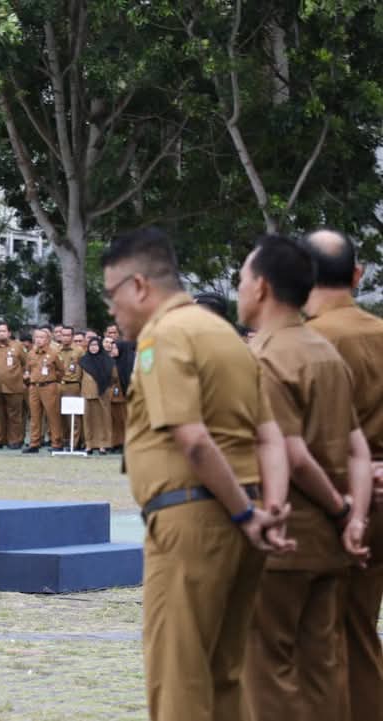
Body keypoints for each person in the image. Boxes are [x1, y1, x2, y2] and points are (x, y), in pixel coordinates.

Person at [101, 226, 293, 721]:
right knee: (223, 676)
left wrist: (246, 512)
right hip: (241, 520)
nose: (111, 310)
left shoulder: (164, 336)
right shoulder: (228, 338)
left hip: (192, 519)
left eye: (111, 295)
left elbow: (193, 439)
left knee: (178, 681)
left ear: (139, 286)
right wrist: (269, 508)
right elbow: (270, 436)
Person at [236, 234, 372, 721]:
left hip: (285, 537)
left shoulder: (264, 357)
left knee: (266, 670)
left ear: (262, 288)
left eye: (243, 278)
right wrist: (355, 517)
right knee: (324, 669)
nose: (239, 288)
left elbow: (291, 453)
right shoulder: (323, 351)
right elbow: (357, 448)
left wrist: (339, 509)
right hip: (330, 544)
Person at [302, 228, 383, 717]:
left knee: (315, 640)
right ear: (358, 275)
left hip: (326, 504)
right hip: (378, 502)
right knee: (359, 630)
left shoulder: (302, 341)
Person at [23, 328, 64, 453]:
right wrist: (27, 376)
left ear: (48, 340)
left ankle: (56, 442)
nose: (39, 340)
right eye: (37, 337)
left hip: (49, 386)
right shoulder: (31, 353)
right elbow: (27, 369)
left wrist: (52, 380)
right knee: (34, 416)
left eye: (42, 337)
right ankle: (34, 443)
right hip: (34, 387)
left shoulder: (54, 353)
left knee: (52, 415)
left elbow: (61, 371)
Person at [0, 322, 28, 449]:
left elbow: (26, 363)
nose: (1, 333)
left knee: (15, 416)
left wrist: (23, 377)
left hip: (14, 386)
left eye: (4, 331)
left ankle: (15, 440)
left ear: (9, 333)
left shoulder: (18, 346)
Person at [79, 336, 114, 455]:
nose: (93, 348)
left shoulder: (107, 360)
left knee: (102, 419)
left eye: (96, 345)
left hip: (102, 394)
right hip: (87, 394)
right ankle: (89, 444)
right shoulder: (83, 360)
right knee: (88, 419)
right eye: (91, 345)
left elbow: (113, 377)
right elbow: (78, 377)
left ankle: (102, 444)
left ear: (100, 346)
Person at [59, 329, 85, 450]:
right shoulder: (56, 349)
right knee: (60, 415)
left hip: (72, 384)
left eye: (68, 335)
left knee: (73, 415)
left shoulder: (79, 351)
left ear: (72, 336)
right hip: (58, 384)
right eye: (63, 335)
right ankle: (63, 441)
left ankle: (75, 443)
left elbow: (84, 368)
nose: (65, 337)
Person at [106, 336, 128, 452]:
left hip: (123, 396)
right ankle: (114, 442)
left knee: (123, 420)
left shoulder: (126, 361)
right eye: (112, 348)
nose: (113, 350)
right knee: (112, 421)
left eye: (115, 348)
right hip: (110, 396)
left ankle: (125, 442)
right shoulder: (110, 362)